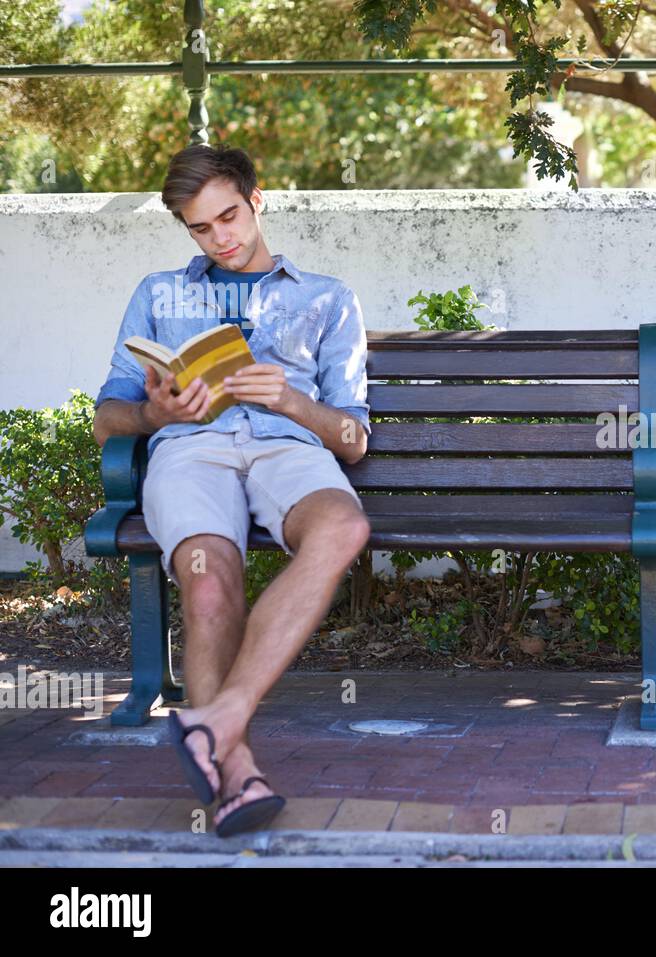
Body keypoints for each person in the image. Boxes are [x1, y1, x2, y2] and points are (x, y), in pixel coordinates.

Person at [92, 144, 372, 834]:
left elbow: (355, 438)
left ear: (257, 199)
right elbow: (108, 418)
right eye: (201, 228)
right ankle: (237, 769)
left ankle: (216, 716)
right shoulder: (159, 294)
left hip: (289, 446)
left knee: (344, 527)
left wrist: (291, 401)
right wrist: (157, 414)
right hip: (194, 450)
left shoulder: (327, 297)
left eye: (229, 217)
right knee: (209, 580)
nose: (221, 238)